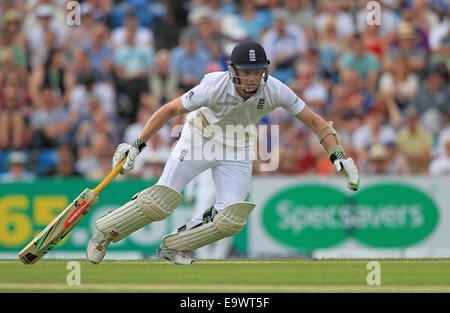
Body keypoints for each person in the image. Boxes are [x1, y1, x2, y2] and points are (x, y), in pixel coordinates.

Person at [86, 41, 359, 265]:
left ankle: (173, 247)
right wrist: (137, 144)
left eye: (257, 72)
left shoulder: (275, 89)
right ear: (233, 70)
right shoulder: (214, 85)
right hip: (199, 138)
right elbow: (170, 110)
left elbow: (316, 122)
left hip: (238, 146)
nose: (252, 78)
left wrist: (338, 156)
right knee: (161, 200)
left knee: (231, 216)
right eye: (246, 71)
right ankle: (103, 234)